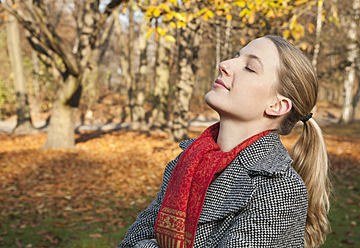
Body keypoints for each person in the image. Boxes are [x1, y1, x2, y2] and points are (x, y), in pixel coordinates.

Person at [117, 36, 331, 248]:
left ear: (276, 106)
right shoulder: (188, 162)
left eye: (249, 68)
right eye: (237, 56)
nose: (224, 64)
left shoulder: (279, 189)